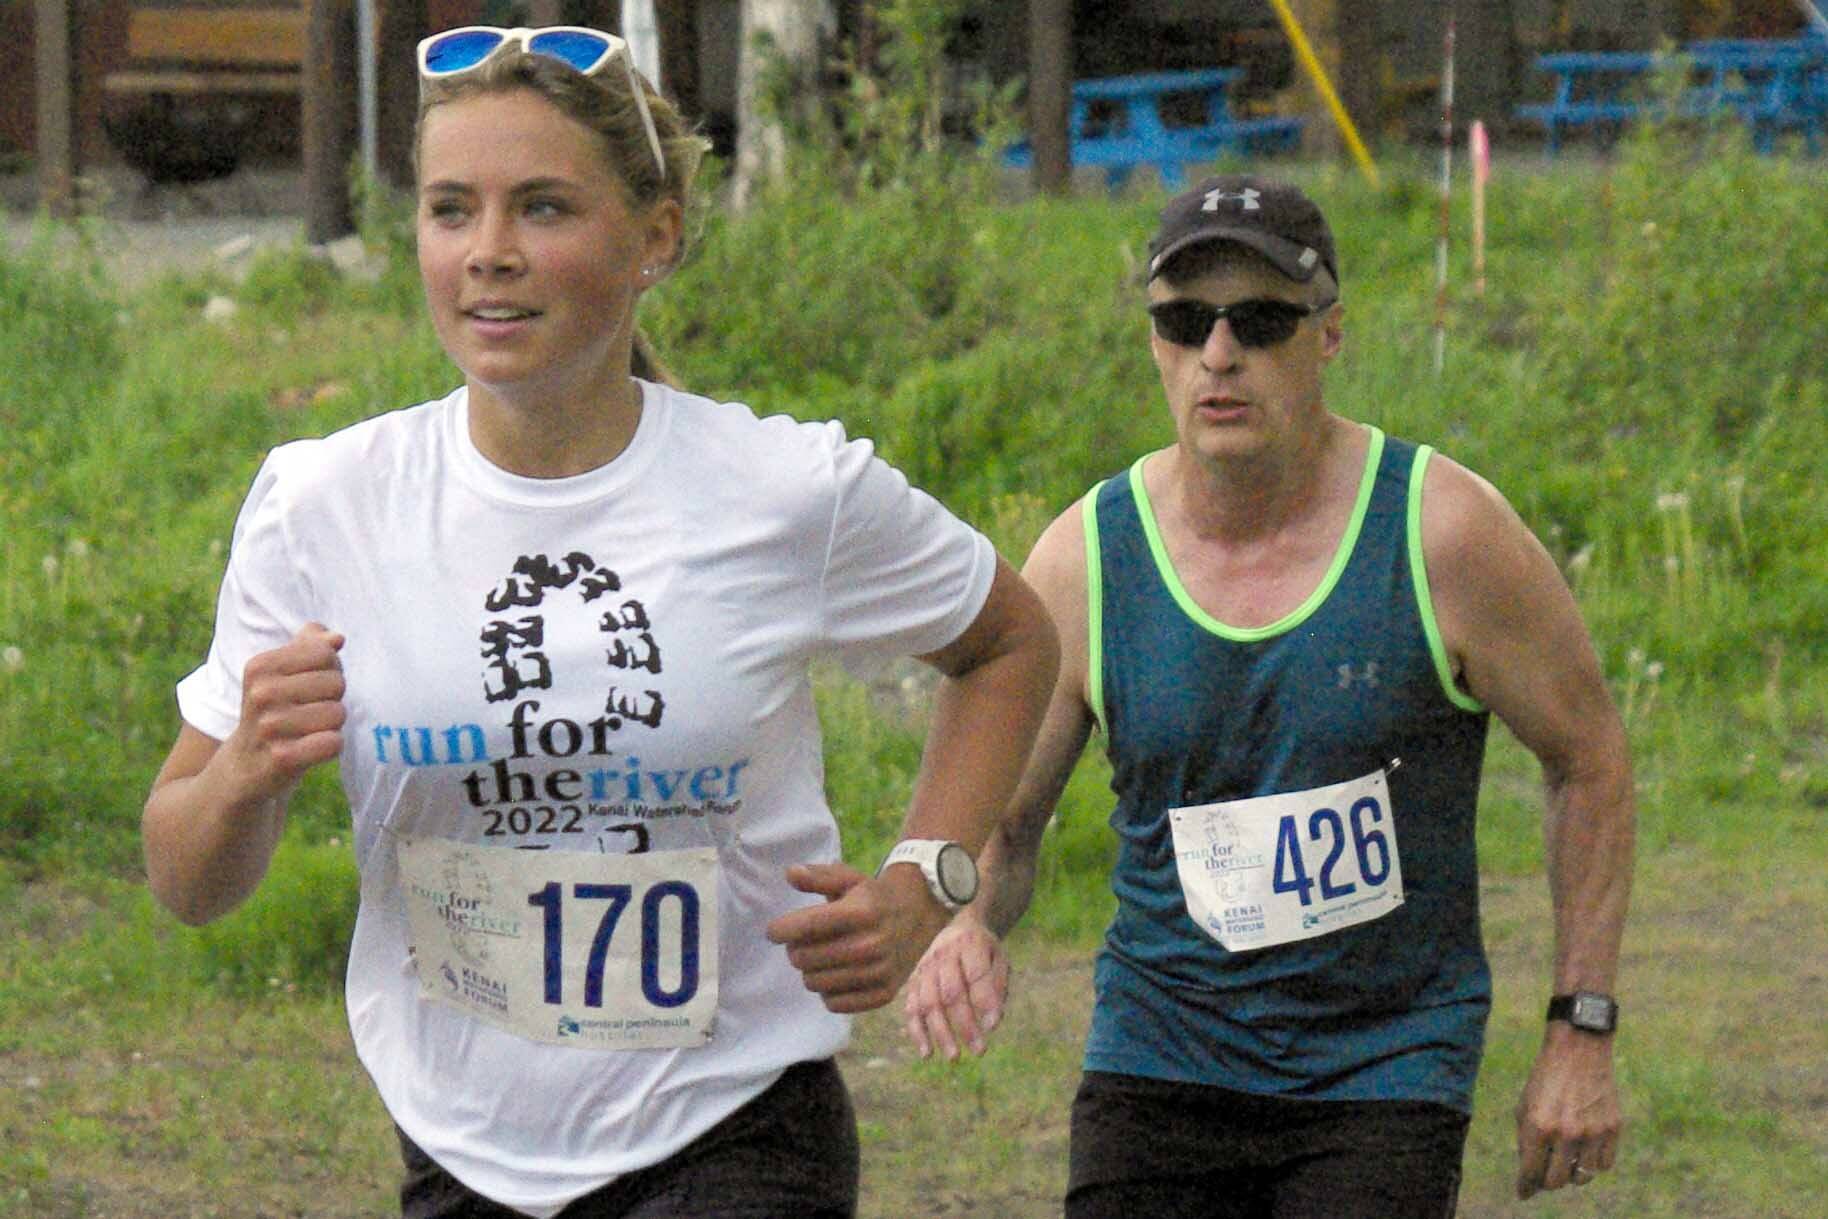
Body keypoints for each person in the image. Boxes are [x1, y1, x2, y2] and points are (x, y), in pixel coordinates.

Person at [141, 25, 1057, 1219]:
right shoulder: (326, 503)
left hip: (730, 1123)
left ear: (655, 237)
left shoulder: (785, 491)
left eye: (543, 210)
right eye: (451, 210)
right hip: (462, 1141)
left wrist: (924, 879)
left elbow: (1009, 640)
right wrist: (247, 775)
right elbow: (185, 877)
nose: (490, 255)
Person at [902, 174, 1635, 1217]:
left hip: (1382, 1065)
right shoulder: (1085, 559)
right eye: (1184, 321)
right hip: (1161, 1051)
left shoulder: (1444, 535)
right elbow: (1006, 830)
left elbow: (1591, 757)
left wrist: (1579, 1027)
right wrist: (964, 925)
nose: (1218, 353)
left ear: (1327, 336)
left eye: (1260, 320)